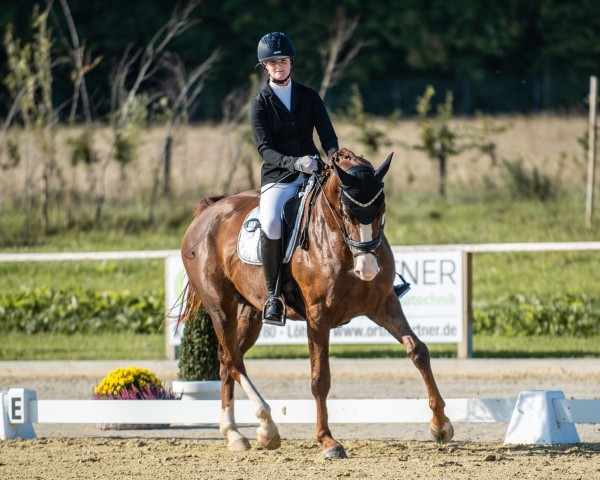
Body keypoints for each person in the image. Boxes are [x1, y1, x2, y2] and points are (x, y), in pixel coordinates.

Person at [250, 31, 339, 325]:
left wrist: (334, 157)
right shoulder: (260, 103)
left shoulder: (309, 96)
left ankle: (380, 278)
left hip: (315, 171)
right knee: (272, 222)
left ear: (291, 63)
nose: (279, 66)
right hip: (279, 177)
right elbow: (265, 149)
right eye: (273, 63)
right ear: (266, 67)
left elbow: (327, 135)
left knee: (349, 204)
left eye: (283, 61)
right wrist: (294, 163)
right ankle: (274, 296)